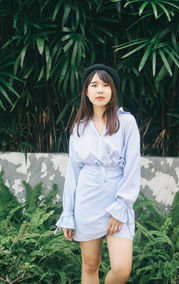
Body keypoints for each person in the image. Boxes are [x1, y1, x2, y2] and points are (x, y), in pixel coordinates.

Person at [55, 64, 140, 284]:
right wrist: (68, 214)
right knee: (90, 265)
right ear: (86, 91)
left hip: (116, 202)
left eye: (105, 85)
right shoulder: (79, 128)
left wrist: (120, 208)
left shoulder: (127, 123)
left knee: (121, 269)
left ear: (113, 90)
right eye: (94, 85)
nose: (100, 90)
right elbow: (73, 174)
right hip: (87, 201)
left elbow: (132, 167)